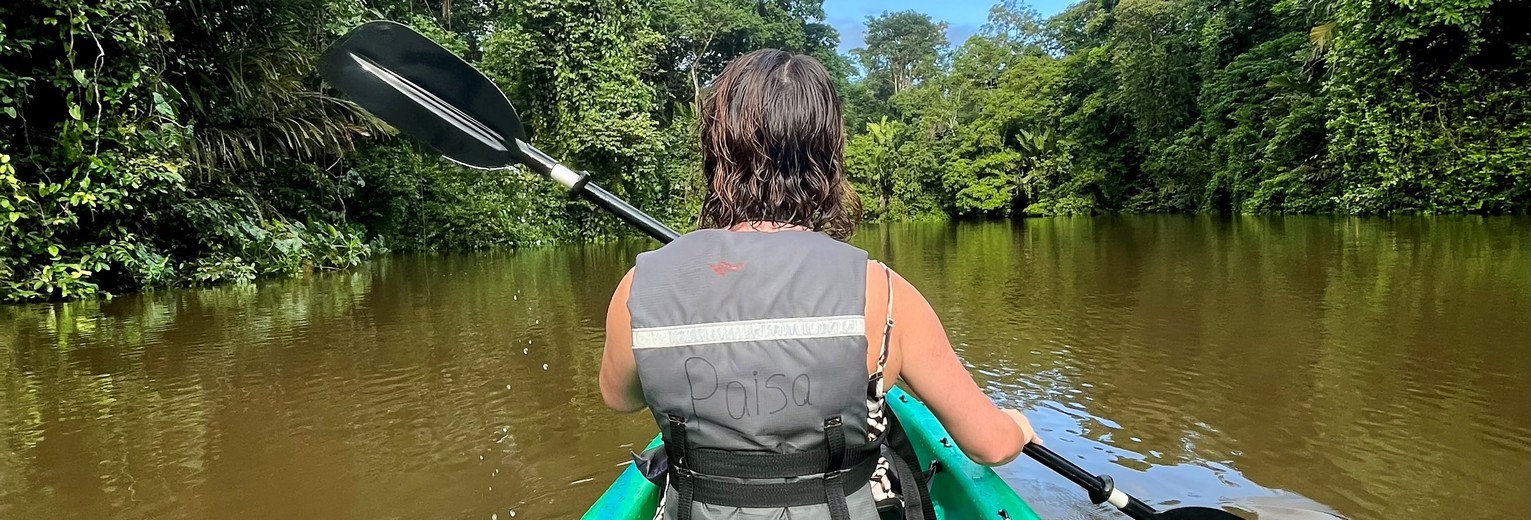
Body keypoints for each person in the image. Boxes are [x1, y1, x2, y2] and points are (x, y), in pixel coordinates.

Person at [598, 48, 1041, 520]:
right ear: (828, 154)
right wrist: (1015, 426)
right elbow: (989, 445)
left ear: (716, 150)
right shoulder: (884, 294)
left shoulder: (639, 287)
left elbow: (619, 397)